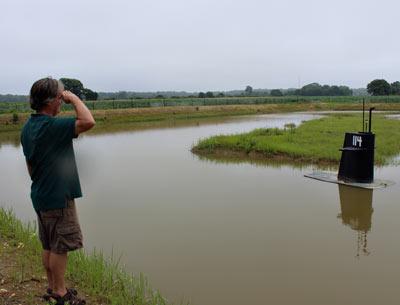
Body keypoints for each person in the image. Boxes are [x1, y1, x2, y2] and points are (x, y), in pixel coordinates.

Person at [20, 77, 95, 305]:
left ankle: (52, 287)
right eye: (60, 97)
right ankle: (61, 293)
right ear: (51, 101)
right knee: (60, 247)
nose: (62, 102)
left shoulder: (28, 127)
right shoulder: (53, 127)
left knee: (49, 244)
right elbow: (88, 121)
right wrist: (74, 99)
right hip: (58, 197)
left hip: (41, 194)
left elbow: (30, 166)